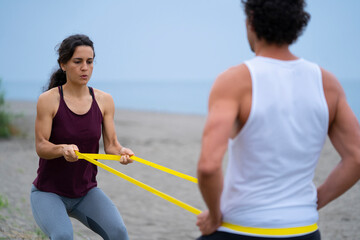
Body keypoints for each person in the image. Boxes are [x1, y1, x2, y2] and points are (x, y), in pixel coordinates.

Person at [196, 0, 360, 239]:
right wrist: (313, 202)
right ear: (296, 24)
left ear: (251, 20)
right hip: (304, 230)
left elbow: (208, 166)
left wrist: (214, 214)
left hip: (243, 229)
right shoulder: (328, 84)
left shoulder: (234, 81)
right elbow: (356, 158)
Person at [31, 34, 134, 240]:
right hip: (48, 192)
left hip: (85, 192)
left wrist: (122, 151)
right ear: (63, 64)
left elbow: (112, 145)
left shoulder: (105, 100)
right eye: (77, 62)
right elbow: (41, 146)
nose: (85, 67)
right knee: (62, 236)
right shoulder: (48, 100)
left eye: (89, 61)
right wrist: (62, 149)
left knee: (119, 233)